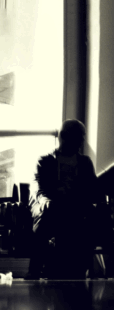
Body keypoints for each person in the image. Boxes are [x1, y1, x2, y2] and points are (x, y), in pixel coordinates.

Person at [29, 119, 101, 279]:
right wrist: (47, 202)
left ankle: (83, 269)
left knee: (93, 216)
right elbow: (39, 189)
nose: (82, 141)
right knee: (48, 216)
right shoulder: (45, 161)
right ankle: (34, 270)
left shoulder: (85, 162)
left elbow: (94, 189)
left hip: (77, 208)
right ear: (65, 136)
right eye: (79, 136)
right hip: (54, 208)